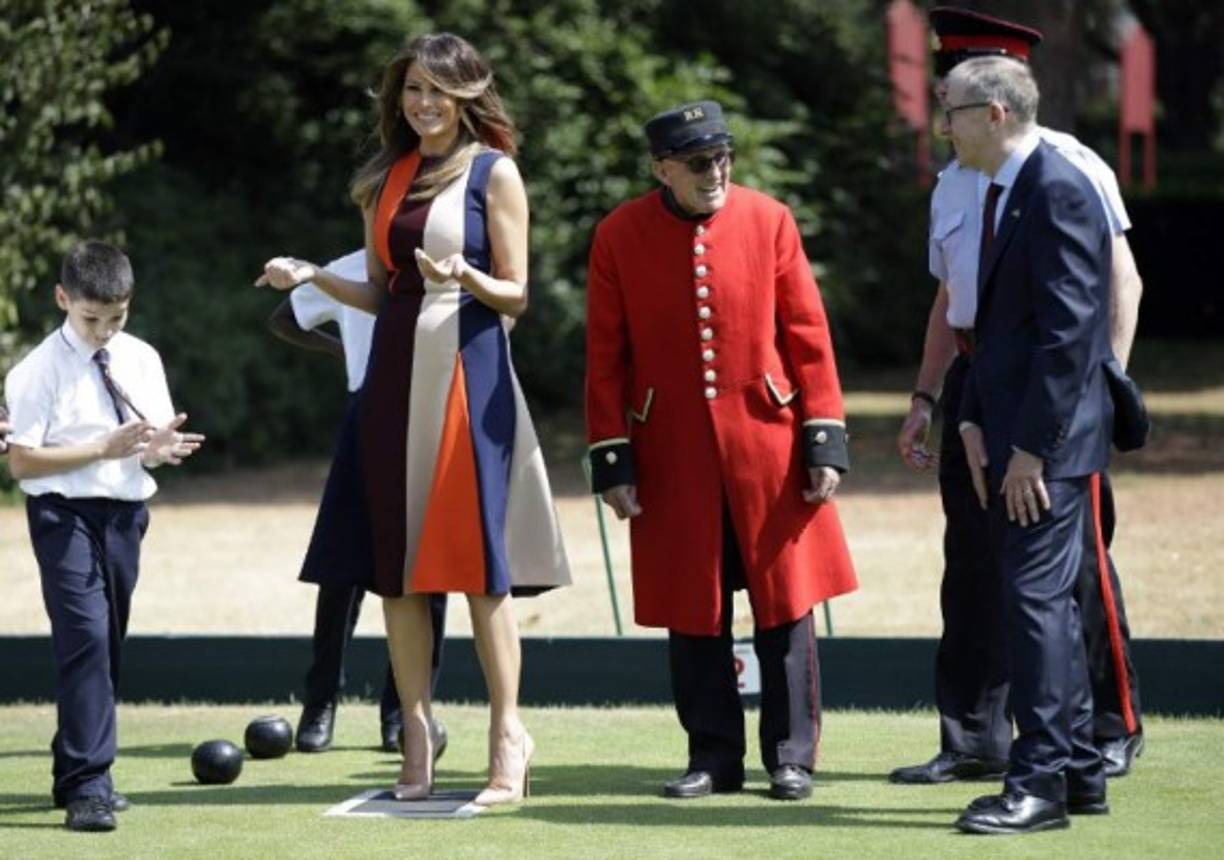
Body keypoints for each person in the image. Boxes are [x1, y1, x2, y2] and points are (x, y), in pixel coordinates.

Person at [258, 33, 570, 806]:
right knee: (396, 570)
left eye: (437, 91)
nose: (422, 105)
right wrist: (314, 276)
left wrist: (466, 274)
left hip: (470, 372)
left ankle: (508, 734)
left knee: (476, 571)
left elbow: (518, 294)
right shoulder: (385, 178)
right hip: (393, 380)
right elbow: (379, 290)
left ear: (466, 96)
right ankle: (419, 733)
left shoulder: (496, 173)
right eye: (410, 91)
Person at [892, 6, 1144, 787]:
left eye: (954, 92)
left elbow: (1118, 283)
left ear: (999, 90)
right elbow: (950, 298)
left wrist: (1092, 393)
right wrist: (929, 396)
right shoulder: (954, 182)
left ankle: (1104, 728)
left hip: (1052, 388)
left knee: (1069, 570)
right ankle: (975, 735)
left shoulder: (1067, 168)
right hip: (978, 378)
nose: (941, 111)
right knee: (971, 564)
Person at [585, 101, 857, 802]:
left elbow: (807, 334)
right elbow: (605, 357)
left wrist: (822, 436)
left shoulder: (770, 220)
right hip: (670, 447)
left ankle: (791, 756)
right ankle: (713, 756)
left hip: (767, 444)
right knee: (692, 607)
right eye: (700, 163)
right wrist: (613, 457)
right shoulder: (619, 234)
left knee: (784, 605)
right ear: (661, 169)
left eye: (724, 158)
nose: (717, 174)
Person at [941, 55, 1113, 834]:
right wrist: (973, 416)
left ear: (995, 113)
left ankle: (1039, 783)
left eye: (953, 111)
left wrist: (1032, 452)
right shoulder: (1009, 192)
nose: (944, 125)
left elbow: (1071, 337)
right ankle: (1075, 771)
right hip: (1018, 433)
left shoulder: (1055, 189)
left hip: (1048, 447)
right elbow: (994, 331)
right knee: (1048, 608)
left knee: (1036, 608)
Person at [4, 240, 204, 832]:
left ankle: (73, 770)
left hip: (124, 515)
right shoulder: (36, 370)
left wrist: (160, 452)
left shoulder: (141, 356)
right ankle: (91, 783)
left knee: (105, 641)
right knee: (85, 635)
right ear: (63, 299)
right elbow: (22, 463)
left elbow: (150, 439)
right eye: (91, 317)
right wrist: (101, 447)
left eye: (116, 317)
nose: (103, 330)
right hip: (63, 516)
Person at [265, 249, 448, 756]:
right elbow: (284, 317)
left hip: (434, 413)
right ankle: (320, 703)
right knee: (342, 570)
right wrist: (338, 349)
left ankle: (405, 715)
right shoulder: (350, 267)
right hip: (367, 411)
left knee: (427, 574)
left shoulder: (445, 261)